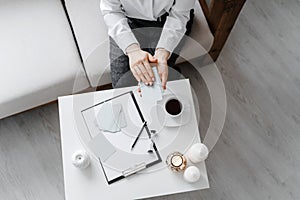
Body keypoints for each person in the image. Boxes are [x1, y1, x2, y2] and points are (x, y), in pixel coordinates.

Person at [100, 0, 195, 89]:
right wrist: (132, 50)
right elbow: (111, 11)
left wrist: (163, 51)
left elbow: (180, 15)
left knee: (157, 80)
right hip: (127, 22)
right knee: (120, 84)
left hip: (168, 21)